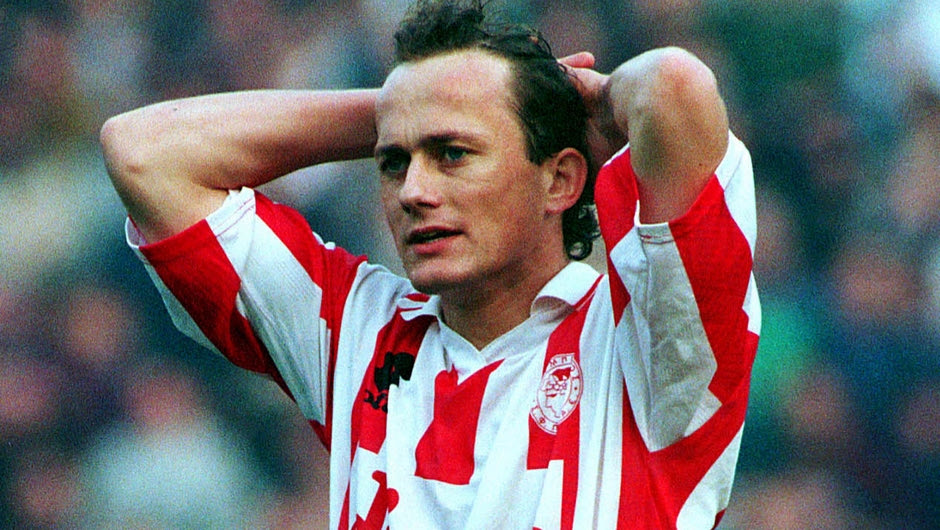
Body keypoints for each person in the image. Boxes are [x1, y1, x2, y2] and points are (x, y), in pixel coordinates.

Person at [100, 0, 759, 528]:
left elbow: (674, 90)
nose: (413, 191)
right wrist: (410, 104)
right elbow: (143, 152)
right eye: (393, 161)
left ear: (559, 180)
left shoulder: (653, 347)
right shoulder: (354, 332)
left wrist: (577, 96)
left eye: (452, 154)